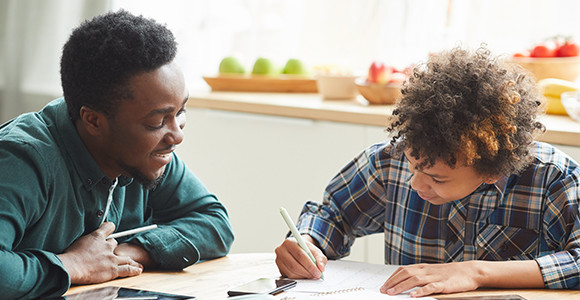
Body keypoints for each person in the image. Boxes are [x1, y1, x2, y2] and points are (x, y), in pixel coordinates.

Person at [275, 46, 580, 297]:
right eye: (413, 164)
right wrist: (306, 241)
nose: (416, 182)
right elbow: (333, 216)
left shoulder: (553, 179)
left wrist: (475, 271)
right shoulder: (389, 161)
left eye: (437, 178)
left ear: (491, 171)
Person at [0, 10, 234, 299]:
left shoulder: (148, 156)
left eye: (181, 112)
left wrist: (131, 251)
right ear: (94, 121)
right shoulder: (21, 160)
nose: (177, 135)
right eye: (156, 122)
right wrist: (73, 264)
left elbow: (214, 222)